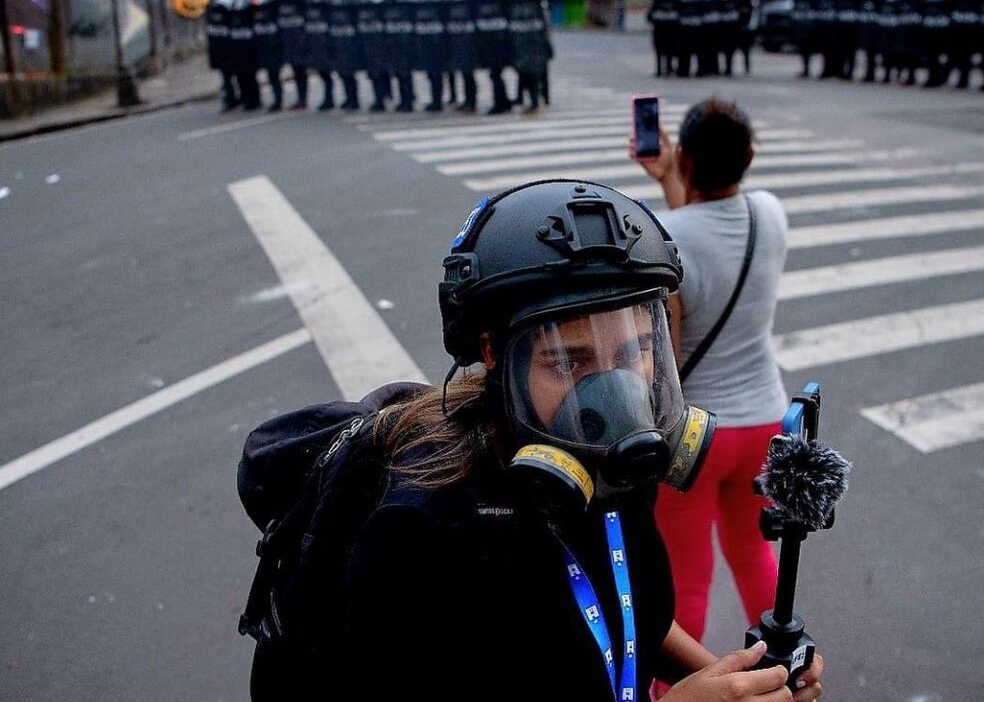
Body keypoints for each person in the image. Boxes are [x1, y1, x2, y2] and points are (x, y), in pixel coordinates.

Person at [239, 179, 826, 702]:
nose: (612, 398)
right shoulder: (421, 533)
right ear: (496, 353)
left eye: (631, 354)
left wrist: (742, 680)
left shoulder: (617, 470)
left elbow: (627, 612)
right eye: (569, 363)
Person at [629, 100, 791, 667]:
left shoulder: (665, 235)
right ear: (748, 159)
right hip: (765, 424)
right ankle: (783, 665)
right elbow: (710, 245)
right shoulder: (770, 213)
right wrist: (677, 177)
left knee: (686, 580)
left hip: (698, 438)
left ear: (688, 156)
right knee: (754, 552)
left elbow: (667, 361)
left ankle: (676, 688)